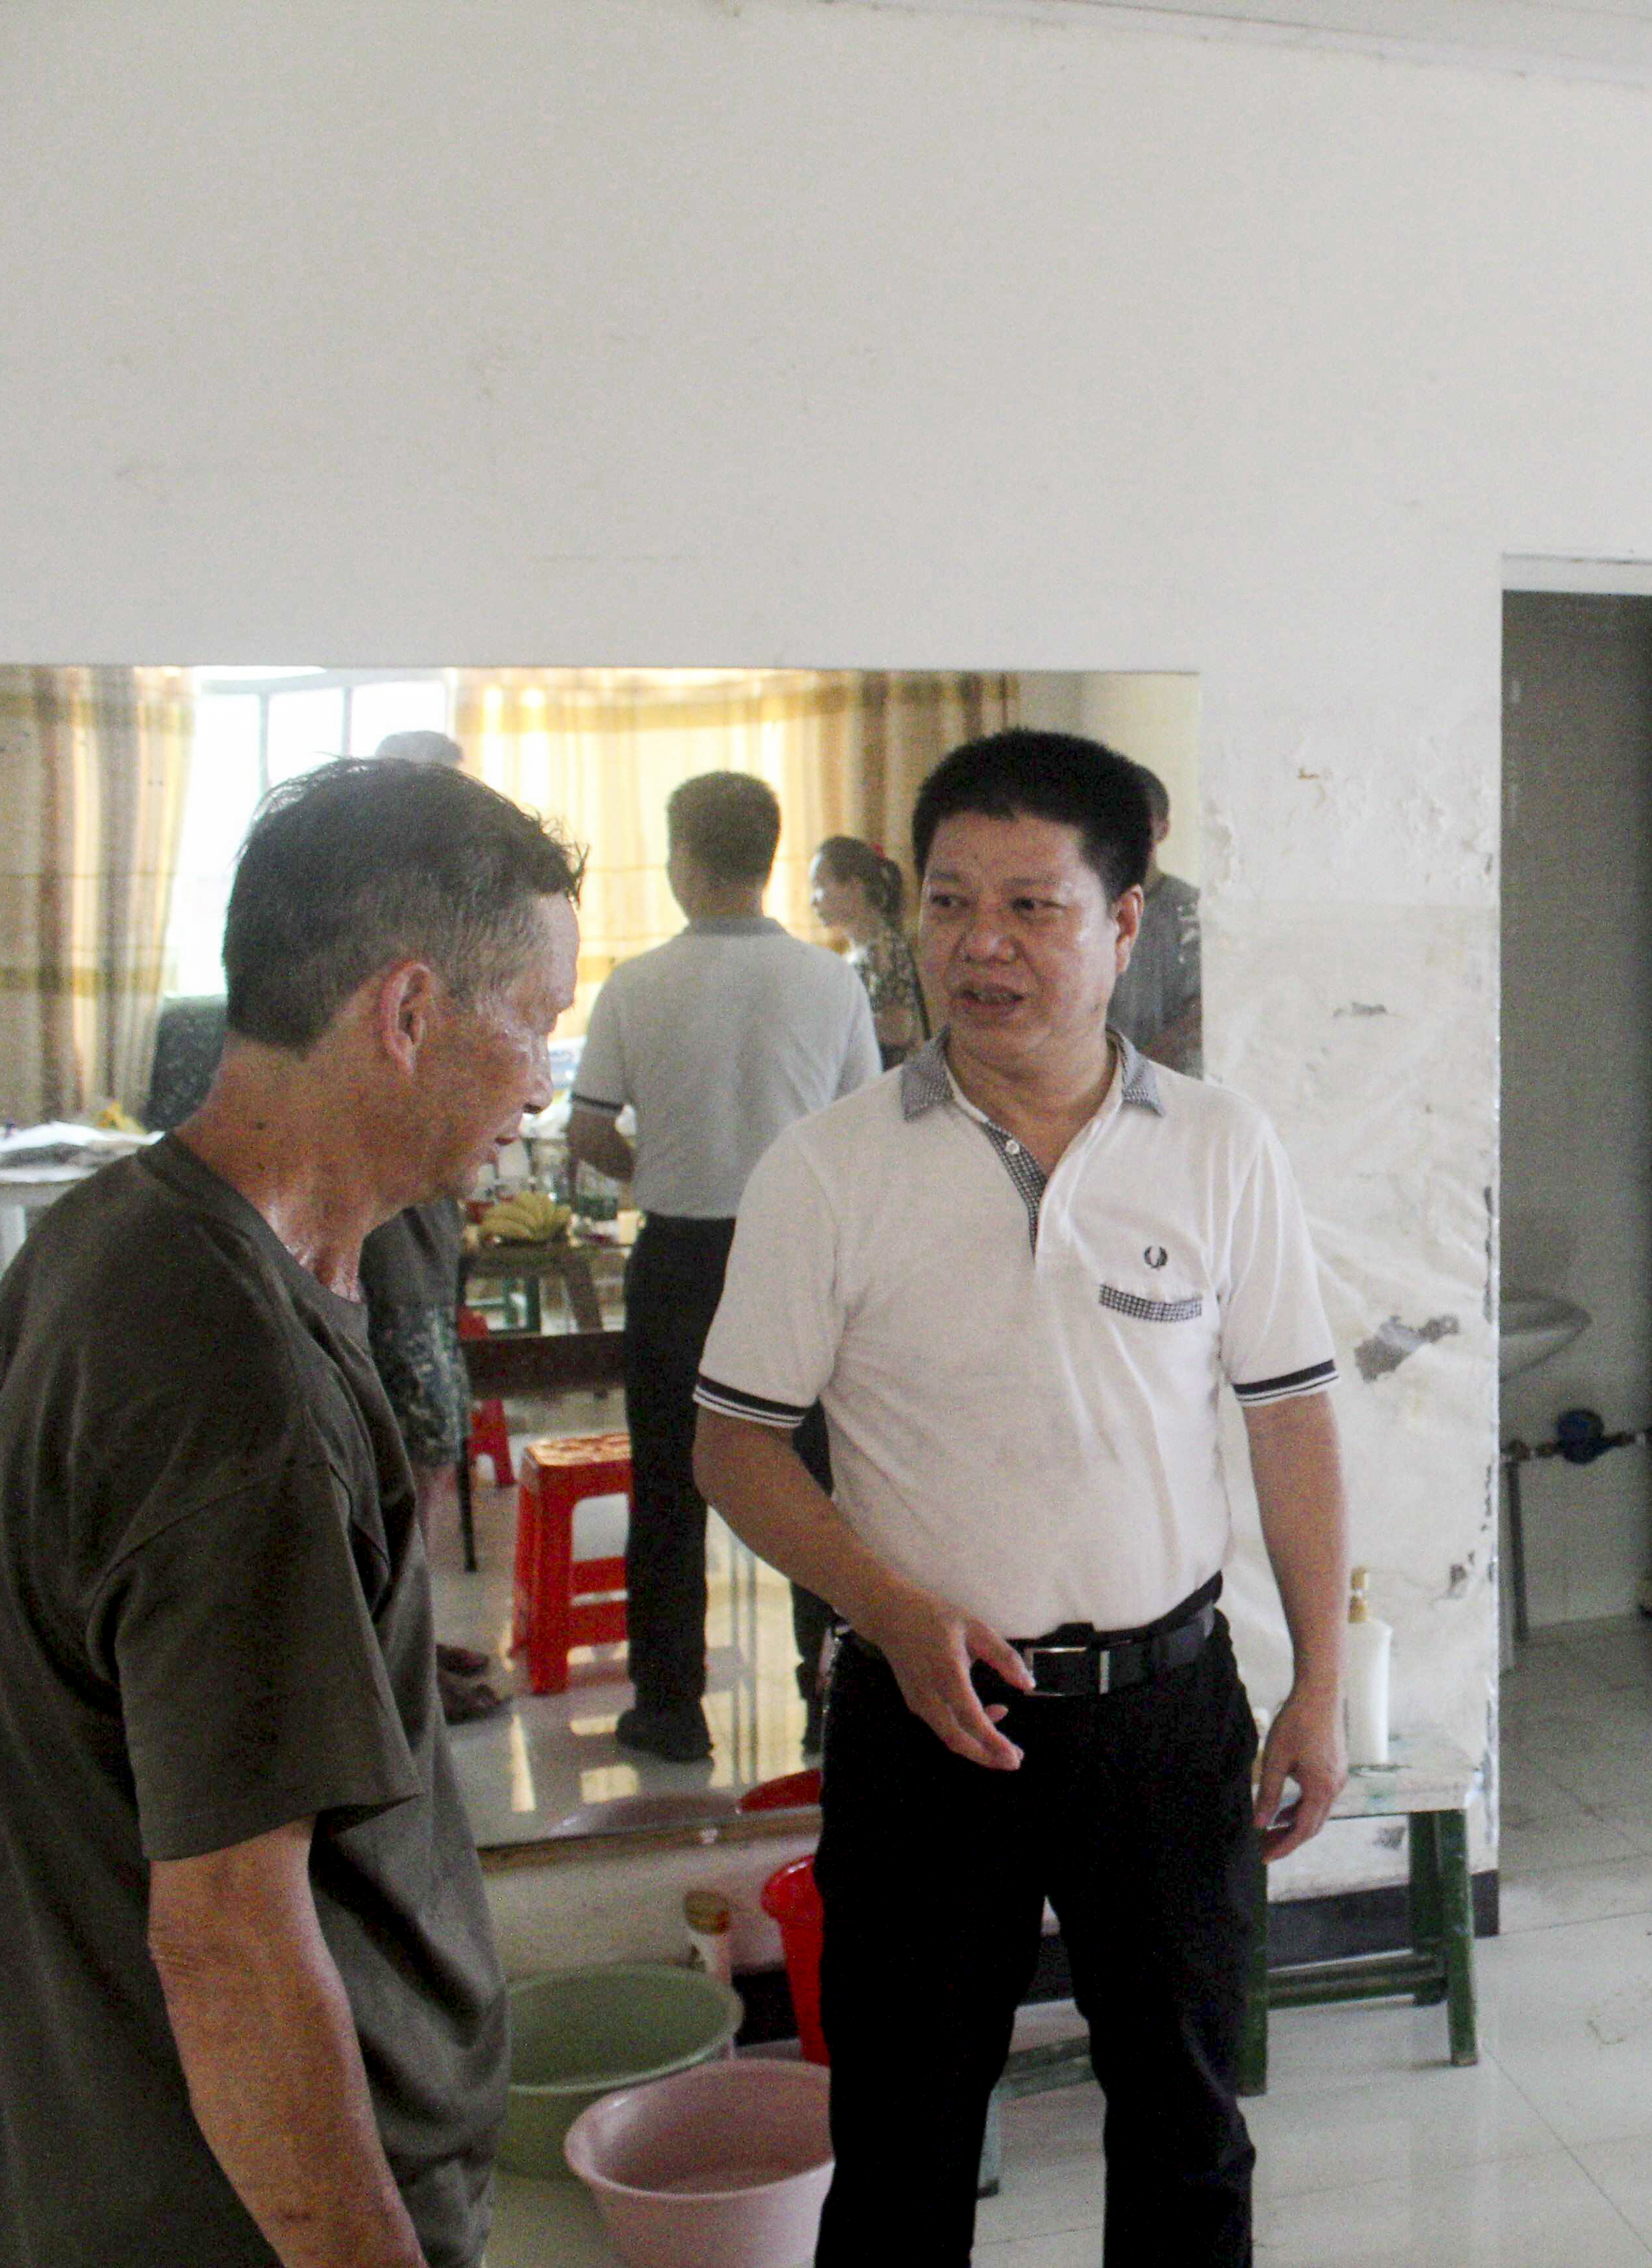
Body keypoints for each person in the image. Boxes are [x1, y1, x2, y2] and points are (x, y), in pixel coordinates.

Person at [0, 758, 580, 2268]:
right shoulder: (231, 1381)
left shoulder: (117, 1236)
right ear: (409, 1012)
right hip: (232, 2213)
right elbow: (226, 1938)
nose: (543, 1080)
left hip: (119, 2168)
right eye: (535, 1018)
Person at [692, 729, 1348, 2265]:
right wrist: (890, 1610)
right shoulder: (828, 1169)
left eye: (1031, 906)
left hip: (1166, 1711)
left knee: (1189, 2129)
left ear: (1123, 922)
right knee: (903, 2141)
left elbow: (1291, 1420)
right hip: (928, 1716)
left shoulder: (1221, 1146)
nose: (979, 944)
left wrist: (1318, 1683)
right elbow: (734, 1445)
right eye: (948, 902)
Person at [568, 772, 878, 1763]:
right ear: (769, 858)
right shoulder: (831, 981)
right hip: (801, 1258)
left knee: (670, 1481)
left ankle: (670, 1707)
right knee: (819, 1482)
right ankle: (832, 1696)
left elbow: (587, 1131)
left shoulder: (637, 983)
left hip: (680, 1258)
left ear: (683, 862)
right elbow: (866, 1137)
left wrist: (659, 1169)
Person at [358, 726, 507, 1725]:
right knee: (411, 1451)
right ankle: (387, 1665)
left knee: (426, 1446)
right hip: (382, 1217)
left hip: (420, 1217)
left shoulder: (439, 916)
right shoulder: (378, 924)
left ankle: (402, 1645)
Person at [1107, 760, 1202, 1074]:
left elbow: (1203, 1013)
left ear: (1162, 829)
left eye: (1138, 822)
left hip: (1170, 1087)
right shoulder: (1083, 907)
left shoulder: (1191, 910)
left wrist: (1134, 1072)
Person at [810, 833, 928, 1069]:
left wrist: (829, 1023)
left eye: (821, 886)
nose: (813, 901)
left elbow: (900, 1028)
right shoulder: (858, 953)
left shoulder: (886, 949)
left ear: (854, 888)